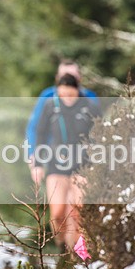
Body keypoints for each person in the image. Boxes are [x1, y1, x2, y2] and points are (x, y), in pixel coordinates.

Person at [30, 74, 99, 256]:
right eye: (64, 94)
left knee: (78, 210)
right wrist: (37, 163)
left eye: (71, 94)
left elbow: (99, 134)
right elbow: (39, 133)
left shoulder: (89, 106)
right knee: (58, 213)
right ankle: (62, 248)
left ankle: (79, 254)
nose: (67, 97)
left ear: (77, 90)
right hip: (56, 164)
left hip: (82, 165)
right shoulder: (50, 105)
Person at [25, 57, 98, 159]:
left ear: (79, 78)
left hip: (82, 158)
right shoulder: (48, 96)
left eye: (72, 76)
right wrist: (33, 154)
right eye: (64, 76)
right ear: (57, 78)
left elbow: (97, 130)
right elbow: (35, 127)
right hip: (52, 157)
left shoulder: (90, 98)